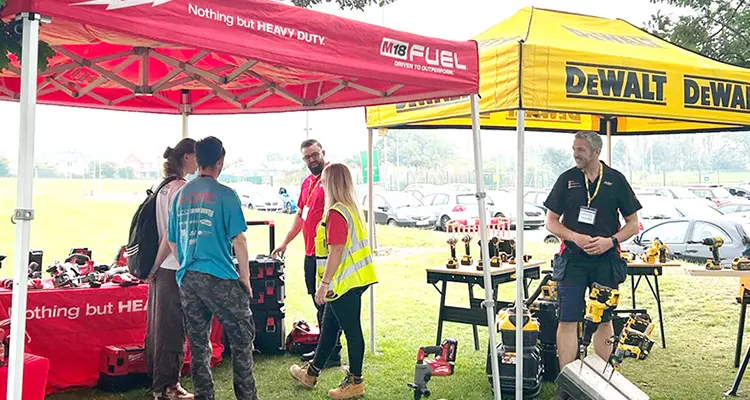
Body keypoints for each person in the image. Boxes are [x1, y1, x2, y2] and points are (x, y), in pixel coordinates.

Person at [167, 136, 259, 400]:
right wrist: (246, 278)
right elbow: (239, 240)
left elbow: (173, 239)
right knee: (242, 336)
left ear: (197, 159)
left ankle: (204, 395)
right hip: (219, 275)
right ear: (220, 160)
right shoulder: (226, 195)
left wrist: (185, 260)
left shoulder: (181, 194)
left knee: (198, 343)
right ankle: (246, 396)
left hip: (188, 277)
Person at [544, 131, 642, 372]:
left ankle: (602, 377)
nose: (575, 154)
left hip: (606, 261)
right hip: (572, 261)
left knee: (603, 318)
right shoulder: (566, 179)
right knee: (567, 320)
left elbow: (633, 224)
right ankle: (567, 381)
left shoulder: (616, 180)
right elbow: (551, 222)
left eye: (581, 150)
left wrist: (611, 241)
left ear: (596, 152)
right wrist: (574, 236)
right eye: (574, 148)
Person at [288, 163, 377, 400]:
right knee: (329, 328)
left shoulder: (337, 212)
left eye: (324, 181)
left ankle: (355, 382)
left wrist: (324, 284)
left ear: (332, 184)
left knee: (351, 332)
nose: (322, 186)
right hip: (355, 279)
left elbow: (336, 250)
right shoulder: (351, 209)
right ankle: (311, 373)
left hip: (342, 283)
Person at [271, 139, 342, 367]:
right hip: (310, 253)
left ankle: (332, 352)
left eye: (314, 155)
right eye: (306, 157)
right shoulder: (306, 183)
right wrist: (285, 243)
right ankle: (325, 347)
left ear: (323, 152)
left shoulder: (332, 178)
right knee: (316, 299)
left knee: (329, 302)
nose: (311, 160)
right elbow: (301, 217)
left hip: (327, 253)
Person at [145, 138, 198, 400]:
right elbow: (172, 234)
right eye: (196, 156)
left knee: (159, 327)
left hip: (163, 267)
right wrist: (160, 265)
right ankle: (168, 386)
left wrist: (154, 267)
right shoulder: (181, 189)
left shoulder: (163, 186)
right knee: (173, 329)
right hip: (173, 265)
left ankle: (159, 383)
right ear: (187, 157)